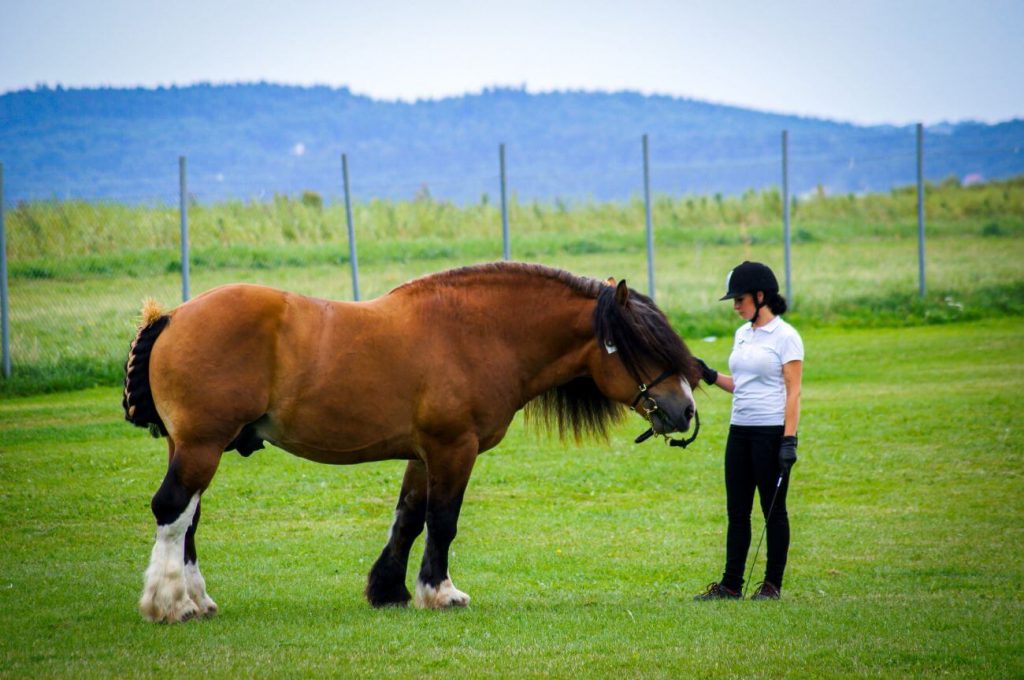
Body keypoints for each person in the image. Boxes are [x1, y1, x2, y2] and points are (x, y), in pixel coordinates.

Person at [693, 261, 803, 601]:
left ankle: (771, 584)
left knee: (773, 510)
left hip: (770, 434)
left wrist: (789, 440)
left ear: (760, 296)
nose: (736, 306)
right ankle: (730, 585)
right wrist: (709, 375)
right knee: (737, 512)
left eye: (739, 299)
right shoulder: (742, 334)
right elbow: (740, 385)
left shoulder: (786, 337)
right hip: (738, 432)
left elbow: (793, 391)